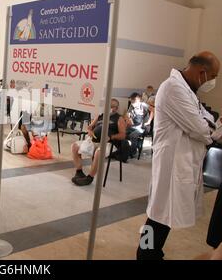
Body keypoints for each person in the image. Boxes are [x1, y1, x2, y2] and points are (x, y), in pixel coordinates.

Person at [137, 51, 220, 260]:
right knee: (157, 215)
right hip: (170, 164)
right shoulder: (174, 88)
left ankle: (153, 251)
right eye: (212, 77)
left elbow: (208, 119)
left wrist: (208, 126)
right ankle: (145, 254)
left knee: (164, 216)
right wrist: (209, 127)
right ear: (202, 72)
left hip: (180, 163)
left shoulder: (188, 90)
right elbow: (202, 129)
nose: (212, 82)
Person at [71, 99, 127, 186]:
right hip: (93, 141)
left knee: (98, 152)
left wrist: (111, 137)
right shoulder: (101, 115)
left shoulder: (119, 118)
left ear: (116, 108)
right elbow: (90, 127)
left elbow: (123, 135)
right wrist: (89, 131)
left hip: (109, 143)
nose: (108, 108)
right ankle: (79, 172)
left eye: (111, 107)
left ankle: (89, 178)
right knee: (74, 146)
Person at [126, 92, 154, 158]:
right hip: (135, 126)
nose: (133, 104)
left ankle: (133, 152)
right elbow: (128, 114)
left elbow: (153, 110)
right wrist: (128, 119)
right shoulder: (132, 106)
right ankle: (133, 146)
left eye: (134, 101)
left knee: (133, 135)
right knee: (124, 132)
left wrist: (149, 121)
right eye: (132, 102)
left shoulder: (143, 105)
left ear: (139, 99)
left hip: (144, 127)